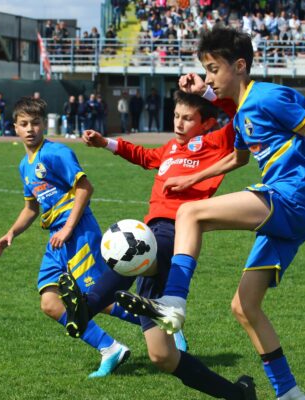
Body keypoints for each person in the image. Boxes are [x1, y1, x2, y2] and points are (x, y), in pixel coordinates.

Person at [114, 27, 305, 400]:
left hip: (291, 198)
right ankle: (289, 393)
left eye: (213, 69)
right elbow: (236, 159)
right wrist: (194, 175)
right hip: (287, 217)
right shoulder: (242, 115)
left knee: (191, 214)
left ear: (240, 66)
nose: (209, 78)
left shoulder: (270, 96)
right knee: (244, 306)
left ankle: (173, 302)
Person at [59, 89, 257, 400]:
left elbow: (240, 113)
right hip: (156, 235)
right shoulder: (170, 149)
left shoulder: (214, 142)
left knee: (131, 251)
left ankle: (88, 306)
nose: (179, 123)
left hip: (177, 231)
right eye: (176, 116)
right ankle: (236, 394)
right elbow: (144, 156)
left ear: (206, 123)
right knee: (161, 356)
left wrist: (206, 91)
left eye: (188, 118)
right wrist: (106, 143)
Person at [0, 96, 138, 378]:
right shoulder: (25, 165)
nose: (30, 129)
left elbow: (85, 189)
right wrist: (11, 232)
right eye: (24, 124)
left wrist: (69, 228)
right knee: (50, 303)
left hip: (78, 231)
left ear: (43, 124)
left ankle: (156, 320)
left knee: (98, 297)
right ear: (15, 128)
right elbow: (31, 207)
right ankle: (110, 348)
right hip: (57, 241)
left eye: (35, 123)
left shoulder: (56, 153)